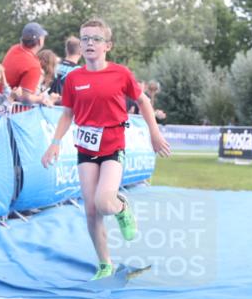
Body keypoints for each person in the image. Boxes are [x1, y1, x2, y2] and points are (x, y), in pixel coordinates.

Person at [41, 18, 170, 280]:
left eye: (95, 39)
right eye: (84, 38)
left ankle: (121, 208)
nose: (88, 43)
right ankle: (105, 264)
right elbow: (67, 114)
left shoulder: (120, 74)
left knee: (103, 201)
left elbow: (143, 103)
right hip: (86, 149)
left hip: (113, 147)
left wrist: (154, 133)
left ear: (107, 45)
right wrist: (54, 144)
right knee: (90, 209)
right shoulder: (74, 78)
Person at [3, 22, 53, 105]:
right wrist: (41, 99)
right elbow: (25, 98)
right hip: (11, 111)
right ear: (40, 41)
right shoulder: (33, 66)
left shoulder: (14, 48)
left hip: (0, 102)